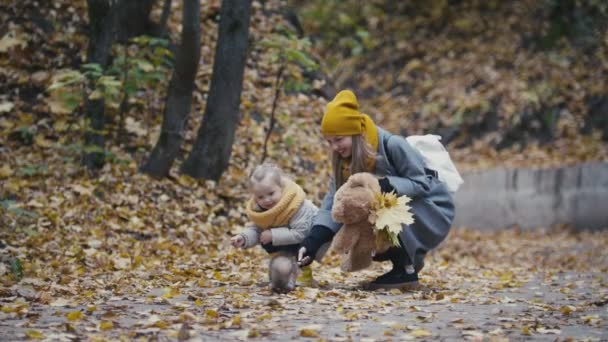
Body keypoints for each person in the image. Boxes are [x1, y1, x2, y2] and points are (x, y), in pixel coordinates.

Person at [297, 90, 455, 290]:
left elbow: (422, 184)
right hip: (404, 211)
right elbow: (334, 202)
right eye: (329, 142)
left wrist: (385, 184)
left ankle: (405, 268)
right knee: (356, 203)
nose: (334, 148)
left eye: (338, 140)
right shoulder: (344, 161)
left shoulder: (392, 145)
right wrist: (313, 241)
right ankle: (403, 264)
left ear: (354, 133)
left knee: (373, 199)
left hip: (432, 209)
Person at [231, 163, 319, 290]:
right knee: (267, 239)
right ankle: (279, 275)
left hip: (309, 237)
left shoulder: (296, 205)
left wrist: (273, 234)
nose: (267, 200)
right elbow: (258, 229)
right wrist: (244, 238)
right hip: (287, 236)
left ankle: (302, 275)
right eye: (260, 197)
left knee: (282, 241)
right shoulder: (262, 209)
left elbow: (301, 233)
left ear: (281, 188)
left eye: (271, 193)